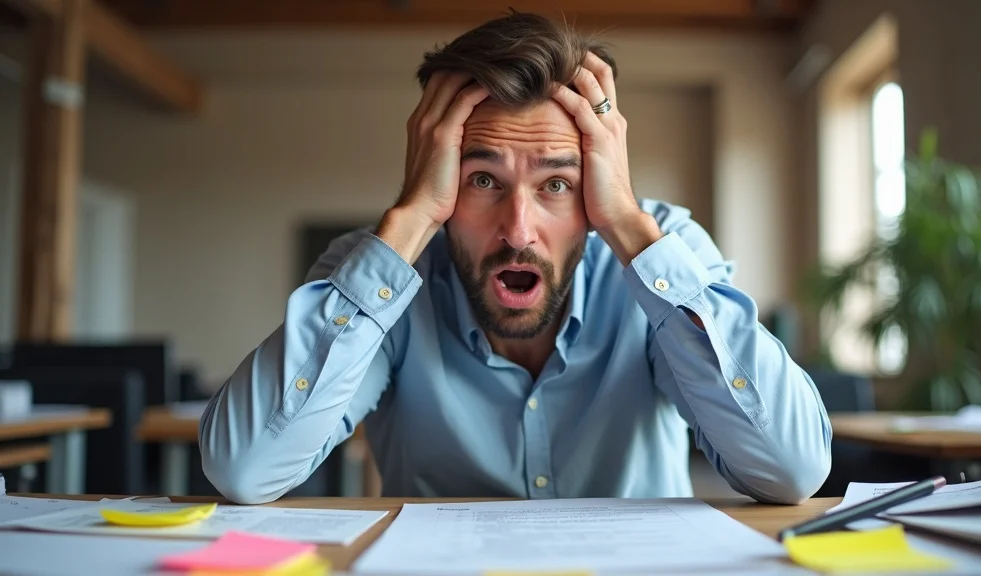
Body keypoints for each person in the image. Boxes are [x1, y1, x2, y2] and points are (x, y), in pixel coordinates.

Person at [199, 12, 832, 505]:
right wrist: (412, 217)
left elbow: (792, 471)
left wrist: (628, 226)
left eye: (557, 183)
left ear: (595, 186)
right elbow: (244, 470)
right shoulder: (381, 273)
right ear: (437, 178)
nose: (518, 230)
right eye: (482, 180)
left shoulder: (662, 254)